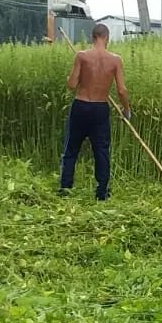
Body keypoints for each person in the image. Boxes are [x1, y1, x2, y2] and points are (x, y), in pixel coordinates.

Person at [60, 23, 131, 201]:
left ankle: (66, 189)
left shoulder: (82, 56)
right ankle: (102, 193)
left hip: (81, 106)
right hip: (100, 108)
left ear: (93, 38)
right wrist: (126, 110)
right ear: (107, 38)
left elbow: (71, 85)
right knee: (102, 151)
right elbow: (122, 90)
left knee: (71, 149)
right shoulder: (116, 60)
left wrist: (72, 77)